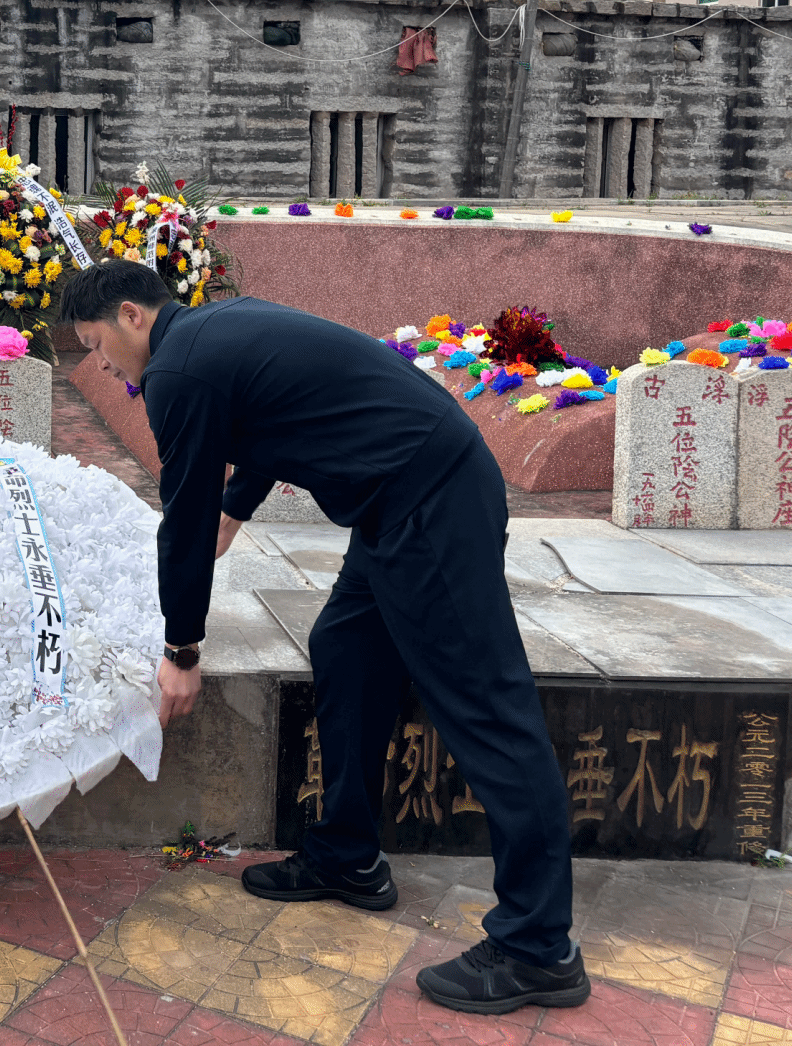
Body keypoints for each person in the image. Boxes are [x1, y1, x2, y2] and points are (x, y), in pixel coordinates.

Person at [61, 259, 588, 1017]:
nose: (103, 366)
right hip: (398, 495)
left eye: (96, 344)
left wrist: (182, 651)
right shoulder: (209, 332)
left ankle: (539, 948)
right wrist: (236, 509)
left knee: (488, 707)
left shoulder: (176, 372)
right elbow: (267, 421)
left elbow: (183, 519)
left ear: (130, 316)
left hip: (429, 498)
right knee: (345, 647)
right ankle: (347, 856)